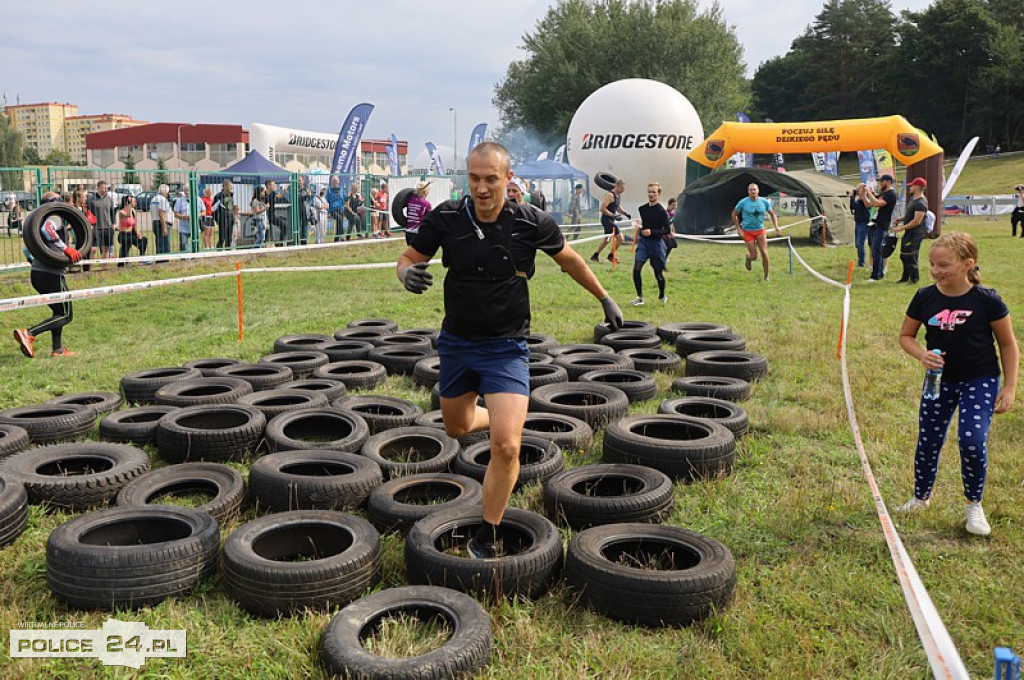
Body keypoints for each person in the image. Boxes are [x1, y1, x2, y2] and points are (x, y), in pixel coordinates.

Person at [396, 141, 623, 559]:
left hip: (506, 346)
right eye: (474, 178)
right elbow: (408, 256)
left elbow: (570, 260)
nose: (482, 188)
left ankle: (488, 532)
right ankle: (496, 415)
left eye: (491, 179)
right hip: (458, 344)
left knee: (506, 446)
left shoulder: (530, 221)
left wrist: (604, 297)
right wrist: (406, 273)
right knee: (456, 428)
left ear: (508, 178)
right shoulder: (446, 218)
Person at [896, 232, 1018, 536]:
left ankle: (973, 506)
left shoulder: (987, 300)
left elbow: (1008, 344)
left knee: (972, 440)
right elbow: (905, 336)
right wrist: (922, 355)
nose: (936, 270)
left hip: (980, 379)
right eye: (932, 264)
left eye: (944, 265)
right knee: (928, 440)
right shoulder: (925, 297)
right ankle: (920, 497)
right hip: (939, 382)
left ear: (968, 264)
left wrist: (1010, 386)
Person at [13, 192, 81, 358]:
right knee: (65, 314)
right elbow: (47, 230)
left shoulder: (37, 219)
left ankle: (57, 350)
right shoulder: (54, 216)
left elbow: (28, 248)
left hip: (38, 273)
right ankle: (29, 333)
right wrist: (65, 249)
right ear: (55, 203)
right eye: (60, 200)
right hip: (51, 274)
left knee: (58, 311)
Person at [629, 182, 670, 306]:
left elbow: (667, 230)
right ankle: (639, 297)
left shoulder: (661, 211)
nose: (651, 194)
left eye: (654, 192)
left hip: (656, 244)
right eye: (650, 192)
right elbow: (645, 225)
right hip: (644, 244)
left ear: (659, 194)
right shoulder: (642, 209)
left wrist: (652, 231)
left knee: (658, 272)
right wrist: (639, 228)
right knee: (636, 269)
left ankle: (662, 294)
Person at [732, 182, 780, 281]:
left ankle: (766, 276)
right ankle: (748, 258)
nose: (753, 191)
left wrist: (776, 226)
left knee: (764, 253)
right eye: (751, 190)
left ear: (758, 191)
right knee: (754, 256)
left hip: (760, 230)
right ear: (748, 192)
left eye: (754, 189)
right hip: (748, 231)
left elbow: (772, 214)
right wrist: (738, 228)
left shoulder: (764, 202)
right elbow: (734, 214)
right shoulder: (743, 202)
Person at [861, 173, 898, 282]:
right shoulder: (882, 193)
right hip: (874, 225)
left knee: (877, 250)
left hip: (882, 226)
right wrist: (863, 195)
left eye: (882, 181)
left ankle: (875, 275)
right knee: (874, 250)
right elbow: (869, 204)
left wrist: (869, 192)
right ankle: (879, 272)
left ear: (889, 182)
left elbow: (877, 203)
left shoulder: (891, 194)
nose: (880, 183)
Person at [892, 177, 929, 284]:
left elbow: (917, 221)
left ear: (917, 187)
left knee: (911, 255)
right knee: (903, 254)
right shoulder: (914, 200)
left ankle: (914, 278)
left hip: (916, 233)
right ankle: (905, 277)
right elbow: (910, 214)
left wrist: (901, 228)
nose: (910, 188)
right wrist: (901, 219)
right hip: (909, 232)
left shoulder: (921, 203)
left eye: (912, 186)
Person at [590, 178, 628, 263]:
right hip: (606, 220)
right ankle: (611, 256)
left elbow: (617, 206)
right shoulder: (610, 195)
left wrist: (625, 213)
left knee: (606, 239)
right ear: (617, 186)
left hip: (611, 219)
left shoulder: (618, 195)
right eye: (622, 188)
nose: (623, 191)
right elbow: (602, 208)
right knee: (620, 239)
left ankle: (595, 256)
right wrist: (613, 215)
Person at [86, 180, 117, 262]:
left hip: (107, 227)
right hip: (95, 227)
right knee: (93, 249)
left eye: (106, 188)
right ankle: (89, 267)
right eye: (103, 188)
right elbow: (88, 213)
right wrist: (90, 224)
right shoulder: (91, 199)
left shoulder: (109, 199)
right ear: (98, 188)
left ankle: (104, 268)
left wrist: (113, 224)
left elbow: (112, 212)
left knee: (106, 249)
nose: (105, 190)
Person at [116, 194, 145, 264]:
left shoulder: (133, 211)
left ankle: (141, 259)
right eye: (133, 201)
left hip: (131, 234)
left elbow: (134, 224)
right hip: (123, 235)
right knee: (126, 244)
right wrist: (128, 204)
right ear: (127, 202)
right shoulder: (121, 212)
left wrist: (138, 233)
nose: (135, 203)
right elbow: (128, 215)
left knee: (144, 241)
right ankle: (124, 262)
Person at [404, 181, 432, 245]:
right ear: (425, 192)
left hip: (408, 232)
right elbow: (429, 218)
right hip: (418, 233)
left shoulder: (410, 200)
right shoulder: (426, 203)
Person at [850, 184, 871, 268]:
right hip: (858, 223)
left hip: (864, 223)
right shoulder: (859, 199)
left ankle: (861, 263)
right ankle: (861, 259)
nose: (857, 190)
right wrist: (853, 196)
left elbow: (863, 205)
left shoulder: (865, 199)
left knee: (860, 243)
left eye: (859, 188)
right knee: (857, 244)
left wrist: (855, 195)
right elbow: (852, 206)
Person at [213, 180, 238, 250]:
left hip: (230, 218)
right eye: (230, 186)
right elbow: (213, 208)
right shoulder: (218, 196)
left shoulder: (231, 195)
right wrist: (216, 219)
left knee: (229, 237)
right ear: (225, 186)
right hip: (222, 218)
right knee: (222, 237)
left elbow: (231, 206)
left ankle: (228, 251)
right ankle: (219, 251)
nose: (231, 187)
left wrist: (234, 215)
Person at [150, 184, 172, 255]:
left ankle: (159, 259)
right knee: (165, 244)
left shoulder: (154, 199)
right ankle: (164, 260)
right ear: (166, 192)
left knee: (159, 243)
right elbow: (161, 213)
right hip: (162, 223)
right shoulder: (162, 199)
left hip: (155, 222)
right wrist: (164, 227)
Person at [327, 176, 346, 241]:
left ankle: (336, 238)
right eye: (334, 181)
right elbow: (327, 201)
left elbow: (345, 198)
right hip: (333, 209)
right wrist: (328, 212)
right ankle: (341, 235)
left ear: (338, 181)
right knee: (339, 219)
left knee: (339, 221)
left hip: (341, 208)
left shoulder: (341, 189)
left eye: (336, 181)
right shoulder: (329, 190)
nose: (335, 182)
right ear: (332, 182)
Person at [663, 196, 678, 265]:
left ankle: (663, 254)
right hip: (664, 232)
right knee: (669, 245)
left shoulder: (672, 214)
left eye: (676, 205)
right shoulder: (665, 213)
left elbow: (671, 222)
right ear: (669, 205)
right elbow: (664, 224)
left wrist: (673, 229)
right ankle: (664, 258)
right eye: (673, 205)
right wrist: (668, 232)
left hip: (669, 232)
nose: (675, 207)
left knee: (674, 244)